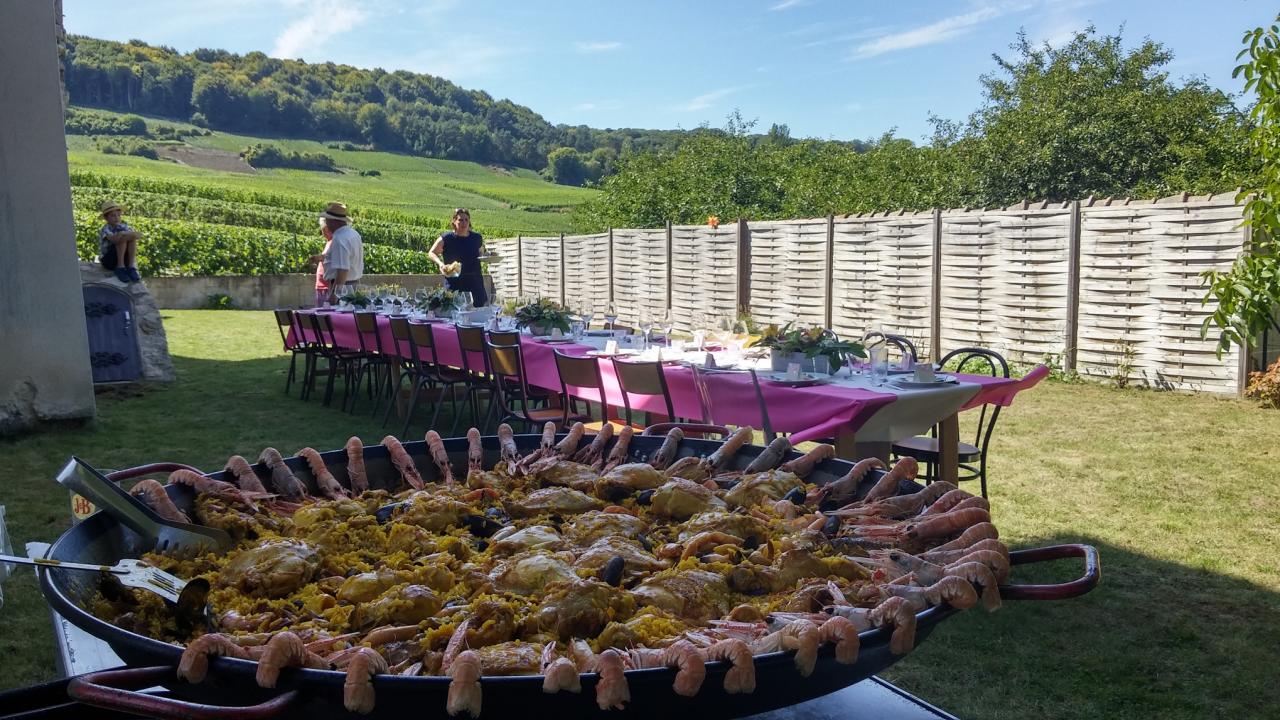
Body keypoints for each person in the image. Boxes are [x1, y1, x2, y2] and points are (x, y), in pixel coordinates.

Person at [428, 208, 490, 307]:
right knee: (453, 314)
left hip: (475, 283)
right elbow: (431, 253)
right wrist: (441, 264)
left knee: (477, 317)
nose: (464, 223)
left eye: (466, 220)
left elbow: (481, 254)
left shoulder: (477, 238)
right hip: (455, 284)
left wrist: (487, 257)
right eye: (460, 220)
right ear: (454, 221)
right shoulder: (447, 238)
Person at [318, 201, 363, 305]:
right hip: (354, 285)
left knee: (340, 319)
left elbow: (343, 270)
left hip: (342, 290)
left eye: (327, 220)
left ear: (333, 221)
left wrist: (334, 296)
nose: (326, 223)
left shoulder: (339, 239)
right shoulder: (354, 234)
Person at [98, 201, 141, 283]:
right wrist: (121, 234)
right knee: (122, 239)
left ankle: (131, 266)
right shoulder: (106, 228)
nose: (117, 218)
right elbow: (114, 240)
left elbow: (136, 235)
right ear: (106, 218)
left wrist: (126, 234)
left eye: (118, 215)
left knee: (131, 239)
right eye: (113, 216)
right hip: (109, 260)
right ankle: (120, 267)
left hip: (123, 256)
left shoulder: (124, 226)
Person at [307, 219, 334, 307]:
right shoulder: (328, 242)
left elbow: (326, 257)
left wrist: (315, 257)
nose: (324, 234)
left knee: (324, 311)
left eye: (326, 231)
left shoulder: (334, 242)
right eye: (323, 231)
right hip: (321, 284)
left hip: (326, 285)